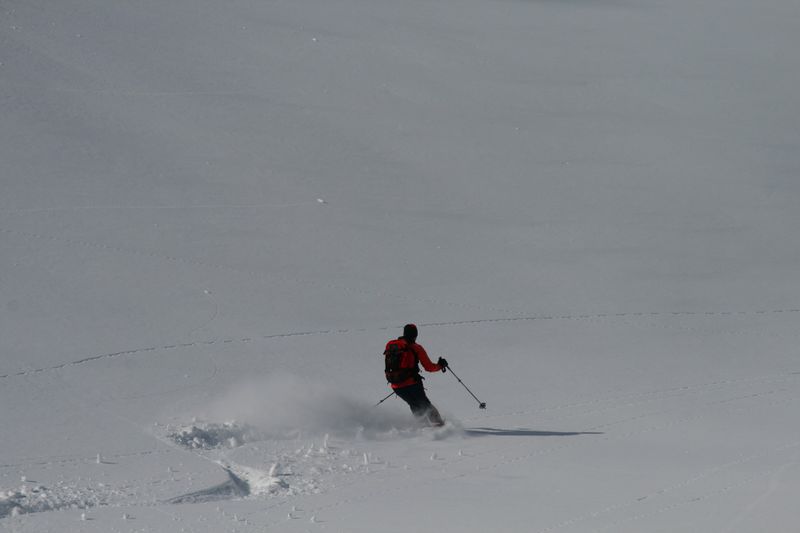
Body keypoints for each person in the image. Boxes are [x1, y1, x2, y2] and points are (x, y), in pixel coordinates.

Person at [384, 324, 449, 426]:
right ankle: (440, 427)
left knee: (414, 405)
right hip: (412, 384)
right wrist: (440, 366)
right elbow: (429, 367)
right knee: (425, 405)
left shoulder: (392, 345)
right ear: (415, 335)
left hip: (396, 385)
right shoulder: (416, 347)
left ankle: (423, 428)